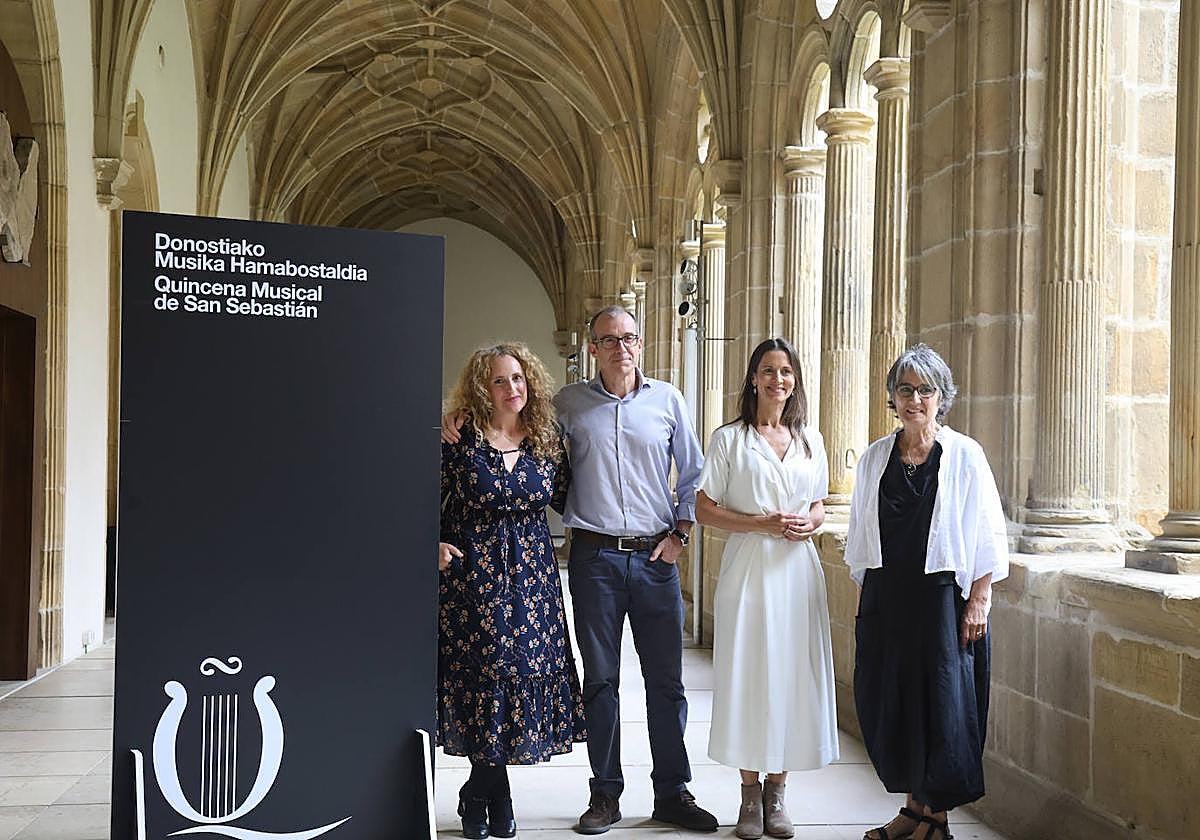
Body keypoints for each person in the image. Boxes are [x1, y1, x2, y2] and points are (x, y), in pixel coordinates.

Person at [443, 306, 717, 834]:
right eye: (609, 339)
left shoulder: (668, 400)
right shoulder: (566, 405)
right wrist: (455, 417)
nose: (620, 347)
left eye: (629, 337)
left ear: (641, 342)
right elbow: (509, 418)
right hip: (594, 559)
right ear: (592, 349)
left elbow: (693, 474)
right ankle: (605, 795)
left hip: (655, 557)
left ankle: (673, 793)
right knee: (601, 682)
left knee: (666, 684)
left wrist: (680, 536)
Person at [845, 344, 1008, 840]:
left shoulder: (964, 455)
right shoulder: (876, 456)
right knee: (895, 704)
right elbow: (861, 531)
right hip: (888, 599)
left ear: (941, 397)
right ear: (892, 396)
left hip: (942, 600)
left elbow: (987, 531)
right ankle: (913, 812)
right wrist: (866, 602)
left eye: (925, 390)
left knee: (942, 707)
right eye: (905, 389)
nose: (914, 399)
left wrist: (979, 600)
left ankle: (936, 820)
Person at [438, 343, 586, 840]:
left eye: (518, 378)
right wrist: (432, 543)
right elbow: (422, 496)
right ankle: (492, 794)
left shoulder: (546, 438)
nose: (511, 388)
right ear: (482, 388)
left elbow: (571, 496)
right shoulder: (458, 438)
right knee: (485, 680)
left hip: (531, 581)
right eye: (499, 380)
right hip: (472, 580)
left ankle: (481, 791)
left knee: (518, 677)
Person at [694, 338, 838, 839]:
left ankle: (778, 792)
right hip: (750, 570)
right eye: (769, 371)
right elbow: (704, 508)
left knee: (792, 674)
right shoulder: (729, 439)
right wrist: (760, 524)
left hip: (797, 570)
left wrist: (810, 523)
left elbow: (818, 504)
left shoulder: (810, 439)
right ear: (754, 379)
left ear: (795, 382)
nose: (779, 380)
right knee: (750, 674)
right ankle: (749, 794)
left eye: (787, 372)